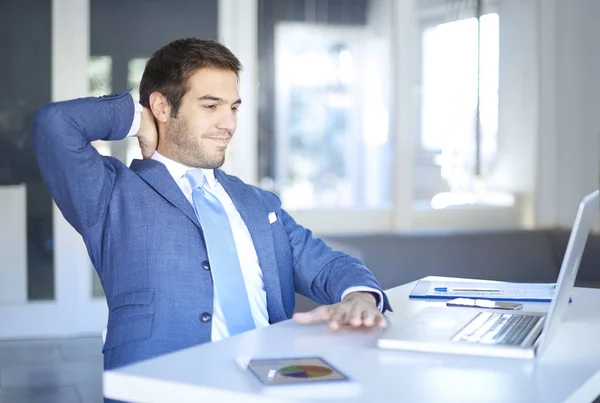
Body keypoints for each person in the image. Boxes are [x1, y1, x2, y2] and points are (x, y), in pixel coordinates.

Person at [32, 37, 391, 379]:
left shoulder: (257, 203)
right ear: (162, 106)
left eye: (233, 107)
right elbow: (55, 125)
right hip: (164, 383)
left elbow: (326, 262)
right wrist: (136, 118)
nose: (229, 123)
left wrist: (359, 296)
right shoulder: (112, 193)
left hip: (271, 377)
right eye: (210, 106)